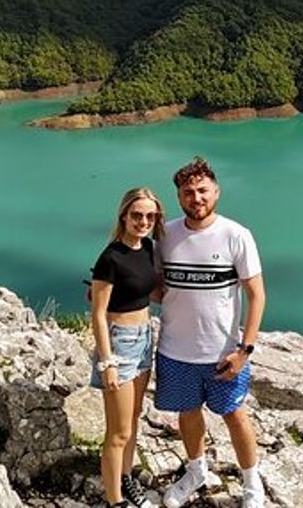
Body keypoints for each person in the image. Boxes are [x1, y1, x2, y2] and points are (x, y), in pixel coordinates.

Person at [155, 157, 267, 508]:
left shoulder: (236, 235)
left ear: (216, 192)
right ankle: (196, 471)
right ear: (179, 197)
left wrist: (244, 349)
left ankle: (252, 484)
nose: (196, 198)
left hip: (222, 352)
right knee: (187, 413)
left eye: (203, 190)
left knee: (234, 414)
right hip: (175, 349)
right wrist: (111, 290)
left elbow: (256, 294)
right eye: (188, 192)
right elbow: (157, 288)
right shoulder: (166, 234)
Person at [90, 187, 165, 508]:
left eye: (150, 216)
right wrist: (107, 362)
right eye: (137, 215)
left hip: (145, 338)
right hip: (119, 343)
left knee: (133, 420)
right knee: (118, 432)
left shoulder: (148, 248)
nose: (144, 221)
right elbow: (97, 312)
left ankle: (125, 478)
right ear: (123, 216)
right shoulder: (110, 257)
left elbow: (152, 292)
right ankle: (114, 501)